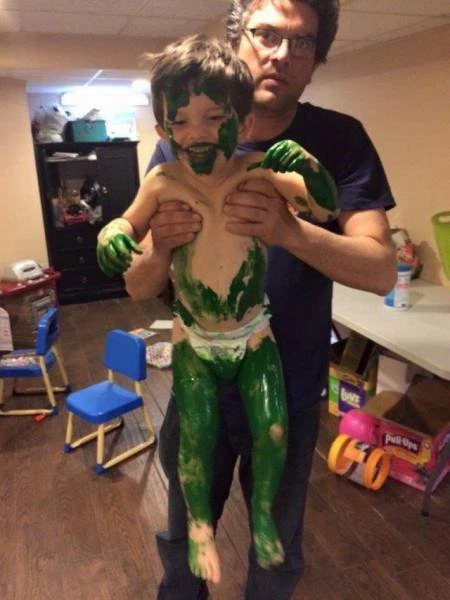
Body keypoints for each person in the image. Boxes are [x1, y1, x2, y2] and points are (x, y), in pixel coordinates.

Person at [125, 1, 397, 599]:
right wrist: (157, 249)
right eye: (267, 34)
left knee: (275, 552)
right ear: (237, 39)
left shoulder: (338, 140)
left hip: (287, 380)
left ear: (318, 57)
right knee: (183, 539)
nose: (282, 55)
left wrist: (290, 231)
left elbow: (381, 271)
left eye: (303, 42)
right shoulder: (182, 144)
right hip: (198, 367)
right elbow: (139, 285)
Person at [97, 34, 340, 586]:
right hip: (195, 338)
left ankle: (262, 517)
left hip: (254, 333)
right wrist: (112, 235)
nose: (197, 134)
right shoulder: (162, 180)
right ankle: (200, 525)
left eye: (214, 118)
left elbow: (325, 206)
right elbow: (127, 222)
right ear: (162, 130)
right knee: (197, 437)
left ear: (244, 122)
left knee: (273, 430)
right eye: (180, 122)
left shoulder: (259, 172)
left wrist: (307, 166)